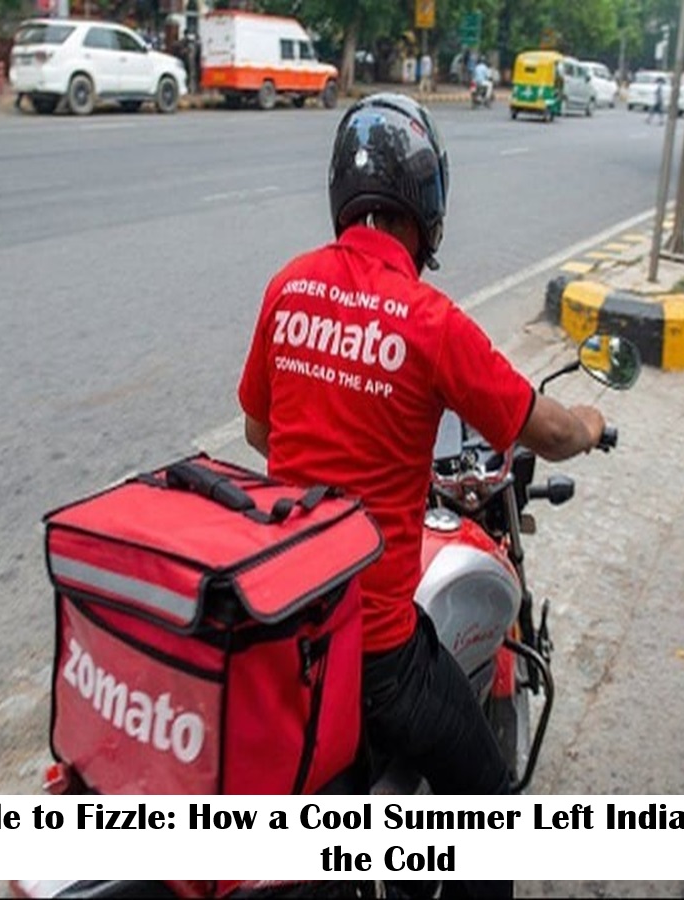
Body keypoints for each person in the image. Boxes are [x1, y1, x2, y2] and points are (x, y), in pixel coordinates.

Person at [238, 93, 605, 899]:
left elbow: (261, 431)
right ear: (428, 205)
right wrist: (589, 421)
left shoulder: (288, 287)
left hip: (283, 628)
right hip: (374, 652)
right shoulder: (430, 321)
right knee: (487, 805)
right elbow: (543, 432)